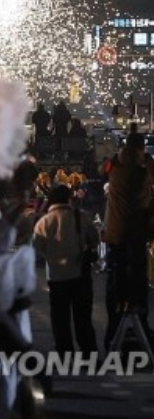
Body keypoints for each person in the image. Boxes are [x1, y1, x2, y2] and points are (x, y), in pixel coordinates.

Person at [102, 131, 154, 346]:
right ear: (142, 148)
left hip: (115, 233)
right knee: (139, 283)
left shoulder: (114, 167)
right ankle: (141, 323)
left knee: (115, 281)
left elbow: (102, 169)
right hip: (136, 233)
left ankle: (114, 328)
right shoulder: (144, 171)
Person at [32, 184, 97, 353]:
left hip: (55, 276)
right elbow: (94, 239)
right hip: (80, 275)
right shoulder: (80, 217)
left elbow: (37, 248)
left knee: (60, 319)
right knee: (83, 318)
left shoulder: (44, 222)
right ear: (69, 198)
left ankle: (64, 353)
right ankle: (88, 354)